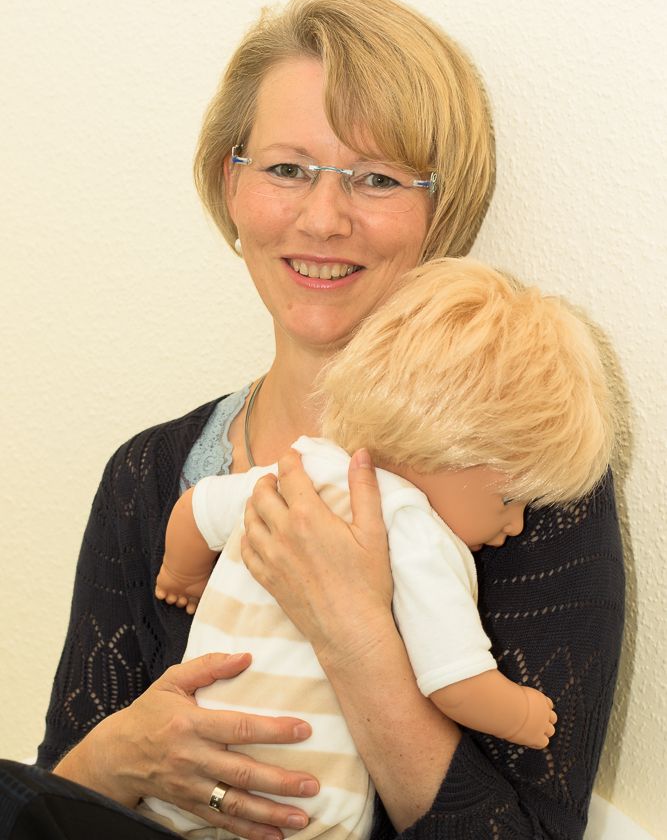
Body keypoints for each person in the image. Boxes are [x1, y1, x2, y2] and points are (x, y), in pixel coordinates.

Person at [0, 0, 624, 840]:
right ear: (232, 185)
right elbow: (46, 806)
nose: (323, 218)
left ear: (441, 212)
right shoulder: (147, 478)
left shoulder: (521, 480)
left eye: (378, 179)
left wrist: (355, 638)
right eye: (287, 169)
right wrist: (123, 754)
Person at [142, 257, 613, 838]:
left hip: (185, 784)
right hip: (303, 808)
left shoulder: (300, 468)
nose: (515, 524)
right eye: (510, 499)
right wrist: (519, 712)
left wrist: (182, 575)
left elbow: (197, 510)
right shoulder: (419, 534)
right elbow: (453, 681)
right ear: (448, 449)